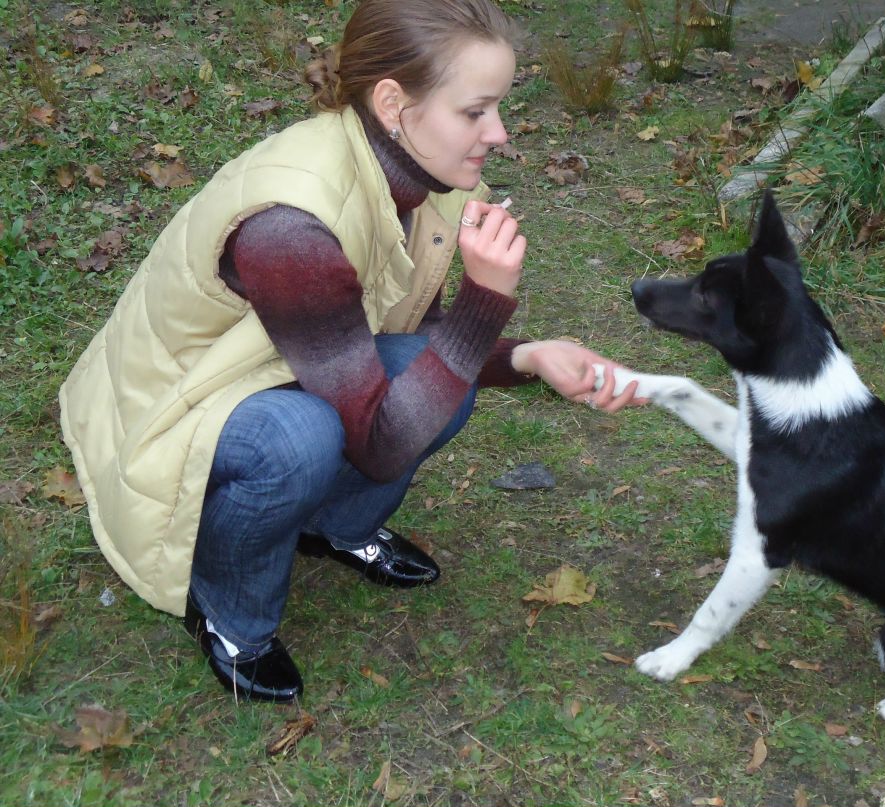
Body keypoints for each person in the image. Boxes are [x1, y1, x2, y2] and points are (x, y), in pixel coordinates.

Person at [58, 0, 645, 703]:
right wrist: (485, 301)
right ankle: (229, 609)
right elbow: (380, 442)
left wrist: (530, 356)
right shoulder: (293, 229)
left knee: (435, 390)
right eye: (475, 112)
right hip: (169, 404)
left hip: (282, 362)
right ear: (394, 102)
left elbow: (411, 343)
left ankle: (334, 526)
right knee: (301, 440)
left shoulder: (416, 178)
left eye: (499, 109)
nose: (501, 133)